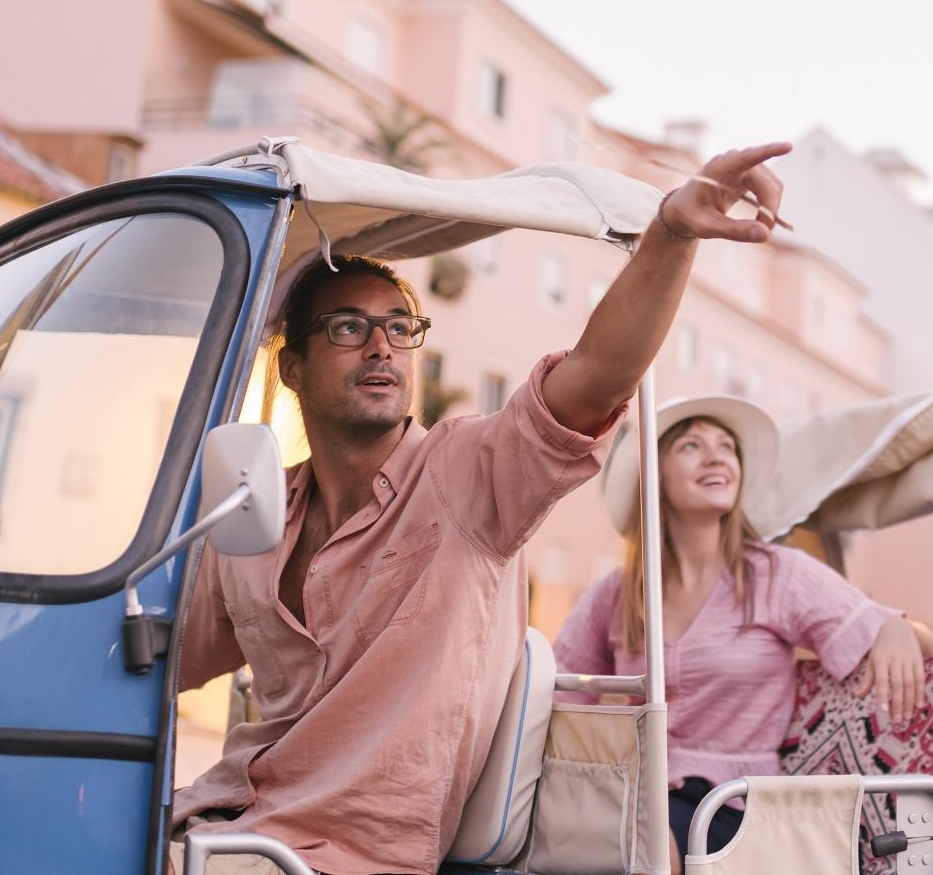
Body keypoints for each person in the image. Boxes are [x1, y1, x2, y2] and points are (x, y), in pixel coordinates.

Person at [171, 144, 792, 875]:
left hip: (335, 856)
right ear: (292, 366)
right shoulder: (257, 509)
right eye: (348, 327)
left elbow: (594, 378)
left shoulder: (464, 474)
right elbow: (157, 661)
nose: (382, 346)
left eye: (401, 328)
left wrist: (672, 235)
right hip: (216, 820)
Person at [553, 396, 933, 871]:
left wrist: (899, 628)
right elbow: (559, 692)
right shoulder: (619, 592)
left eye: (727, 447)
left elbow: (897, 631)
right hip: (633, 794)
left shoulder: (776, 575)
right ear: (655, 478)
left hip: (733, 806)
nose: (716, 456)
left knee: (643, 841)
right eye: (691, 445)